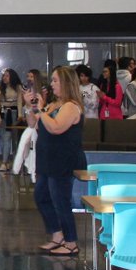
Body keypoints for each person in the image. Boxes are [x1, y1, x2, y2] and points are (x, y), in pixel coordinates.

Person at [27, 65, 85, 258]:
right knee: (41, 197)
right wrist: (32, 107)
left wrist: (42, 111)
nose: (51, 84)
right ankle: (57, 235)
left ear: (66, 83)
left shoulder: (71, 106)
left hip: (63, 161)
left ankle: (71, 243)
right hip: (48, 160)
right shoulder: (54, 105)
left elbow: (57, 128)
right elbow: (32, 124)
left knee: (61, 201)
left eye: (55, 80)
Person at [0, 68, 24, 170]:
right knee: (4, 138)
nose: (5, 78)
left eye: (7, 76)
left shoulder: (18, 88)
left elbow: (20, 102)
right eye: (4, 76)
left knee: (14, 139)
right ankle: (5, 161)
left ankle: (14, 161)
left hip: (14, 113)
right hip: (4, 114)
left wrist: (20, 114)